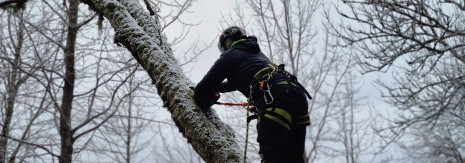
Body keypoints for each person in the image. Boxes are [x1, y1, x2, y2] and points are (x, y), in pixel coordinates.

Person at [194, 26, 311, 163]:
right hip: (296, 95)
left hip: (274, 98)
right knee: (294, 159)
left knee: (273, 158)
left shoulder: (229, 56)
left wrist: (203, 96)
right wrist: (217, 89)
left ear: (227, 43)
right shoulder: (256, 54)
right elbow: (235, 83)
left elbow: (202, 89)